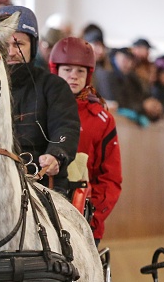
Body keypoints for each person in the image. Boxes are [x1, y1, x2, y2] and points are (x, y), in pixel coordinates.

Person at [0, 5, 80, 193]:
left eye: (19, 44)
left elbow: (66, 126)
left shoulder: (54, 86)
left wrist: (56, 155)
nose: (10, 52)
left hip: (40, 182)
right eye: (3, 44)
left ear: (33, 46)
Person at [49, 36, 123, 243]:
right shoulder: (39, 110)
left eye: (80, 71)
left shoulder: (102, 119)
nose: (74, 76)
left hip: (83, 220)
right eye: (67, 70)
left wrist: (93, 217)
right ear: (56, 70)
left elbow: (110, 178)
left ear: (88, 74)